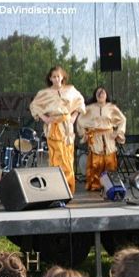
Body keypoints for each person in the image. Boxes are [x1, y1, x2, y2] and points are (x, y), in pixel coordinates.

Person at [30, 66, 85, 194]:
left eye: (58, 76)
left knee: (68, 157)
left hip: (66, 126)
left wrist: (74, 116)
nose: (56, 78)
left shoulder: (70, 90)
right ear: (50, 78)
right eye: (53, 76)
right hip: (54, 127)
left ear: (62, 77)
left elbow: (80, 102)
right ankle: (58, 188)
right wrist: (45, 118)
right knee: (56, 157)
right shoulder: (44, 93)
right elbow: (34, 105)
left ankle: (69, 187)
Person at [76, 86, 126, 191]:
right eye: (98, 93)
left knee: (110, 162)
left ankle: (110, 184)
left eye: (103, 93)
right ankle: (95, 185)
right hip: (96, 137)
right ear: (95, 95)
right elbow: (80, 120)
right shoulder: (90, 108)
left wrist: (117, 132)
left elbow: (122, 119)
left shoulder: (112, 107)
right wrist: (84, 133)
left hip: (109, 137)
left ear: (106, 95)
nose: (101, 95)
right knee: (96, 162)